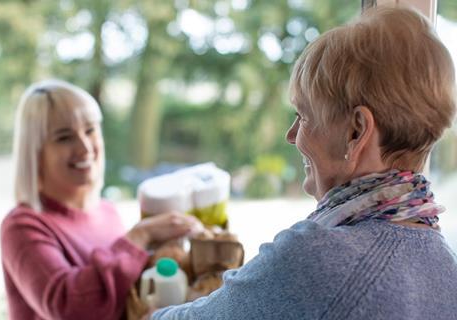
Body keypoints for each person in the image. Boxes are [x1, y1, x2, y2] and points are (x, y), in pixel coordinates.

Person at [151, 6, 457, 320]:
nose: (291, 135)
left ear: (357, 131)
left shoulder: (319, 258)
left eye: (303, 117)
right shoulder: (445, 265)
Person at [0, 79, 203, 320]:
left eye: (90, 130)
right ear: (35, 152)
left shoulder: (107, 211)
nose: (85, 147)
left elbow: (121, 296)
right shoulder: (22, 226)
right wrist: (140, 236)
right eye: (64, 137)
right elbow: (70, 309)